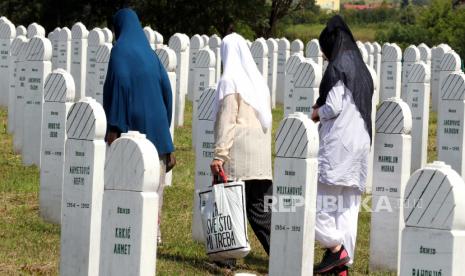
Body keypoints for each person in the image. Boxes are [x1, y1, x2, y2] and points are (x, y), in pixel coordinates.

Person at [103, 8, 176, 244]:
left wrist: (114, 127)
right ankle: (154, 234)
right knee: (155, 190)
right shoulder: (150, 54)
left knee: (130, 186)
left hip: (131, 131)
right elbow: (167, 90)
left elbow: (119, 85)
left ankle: (133, 232)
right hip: (159, 134)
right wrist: (166, 136)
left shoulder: (119, 52)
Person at [311, 15, 373, 275]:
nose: (325, 57)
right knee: (347, 209)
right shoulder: (360, 66)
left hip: (340, 145)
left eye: (325, 52)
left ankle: (336, 250)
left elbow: (334, 106)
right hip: (361, 145)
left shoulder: (339, 65)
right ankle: (341, 268)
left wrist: (316, 113)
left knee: (316, 206)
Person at [210, 33, 273, 258]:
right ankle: (283, 256)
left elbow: (227, 121)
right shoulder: (257, 81)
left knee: (230, 207)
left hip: (238, 156)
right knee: (261, 211)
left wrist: (219, 156)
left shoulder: (229, 81)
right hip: (261, 158)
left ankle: (228, 259)